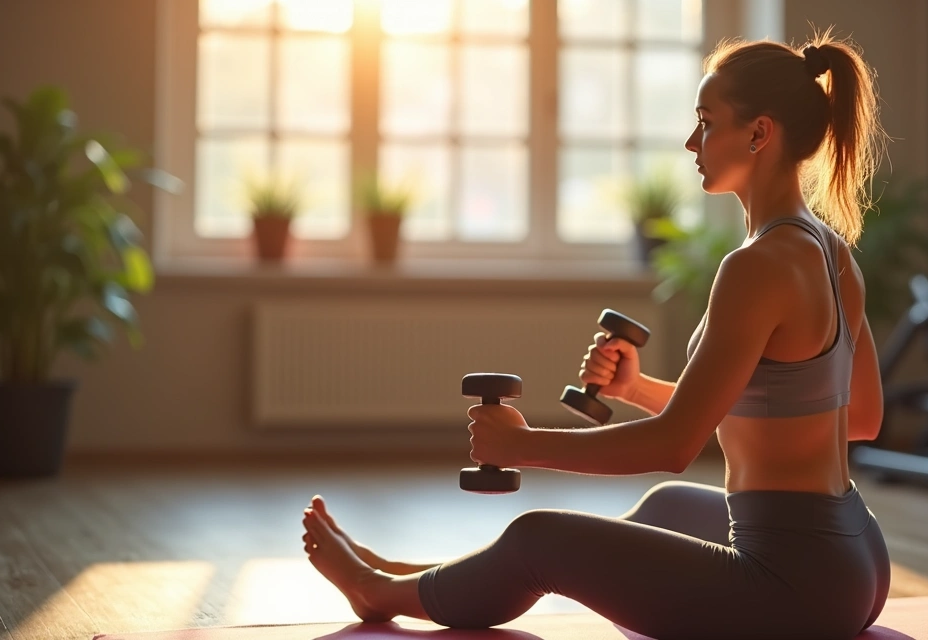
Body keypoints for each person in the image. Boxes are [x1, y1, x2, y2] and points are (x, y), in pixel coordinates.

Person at [300, 30, 890, 640]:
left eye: (706, 123)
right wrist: (635, 388)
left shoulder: (755, 265)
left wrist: (521, 446)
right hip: (857, 561)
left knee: (540, 538)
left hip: (793, 589)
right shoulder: (832, 251)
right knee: (666, 506)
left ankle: (380, 592)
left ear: (759, 133)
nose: (693, 143)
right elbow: (859, 415)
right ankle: (420, 576)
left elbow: (674, 446)